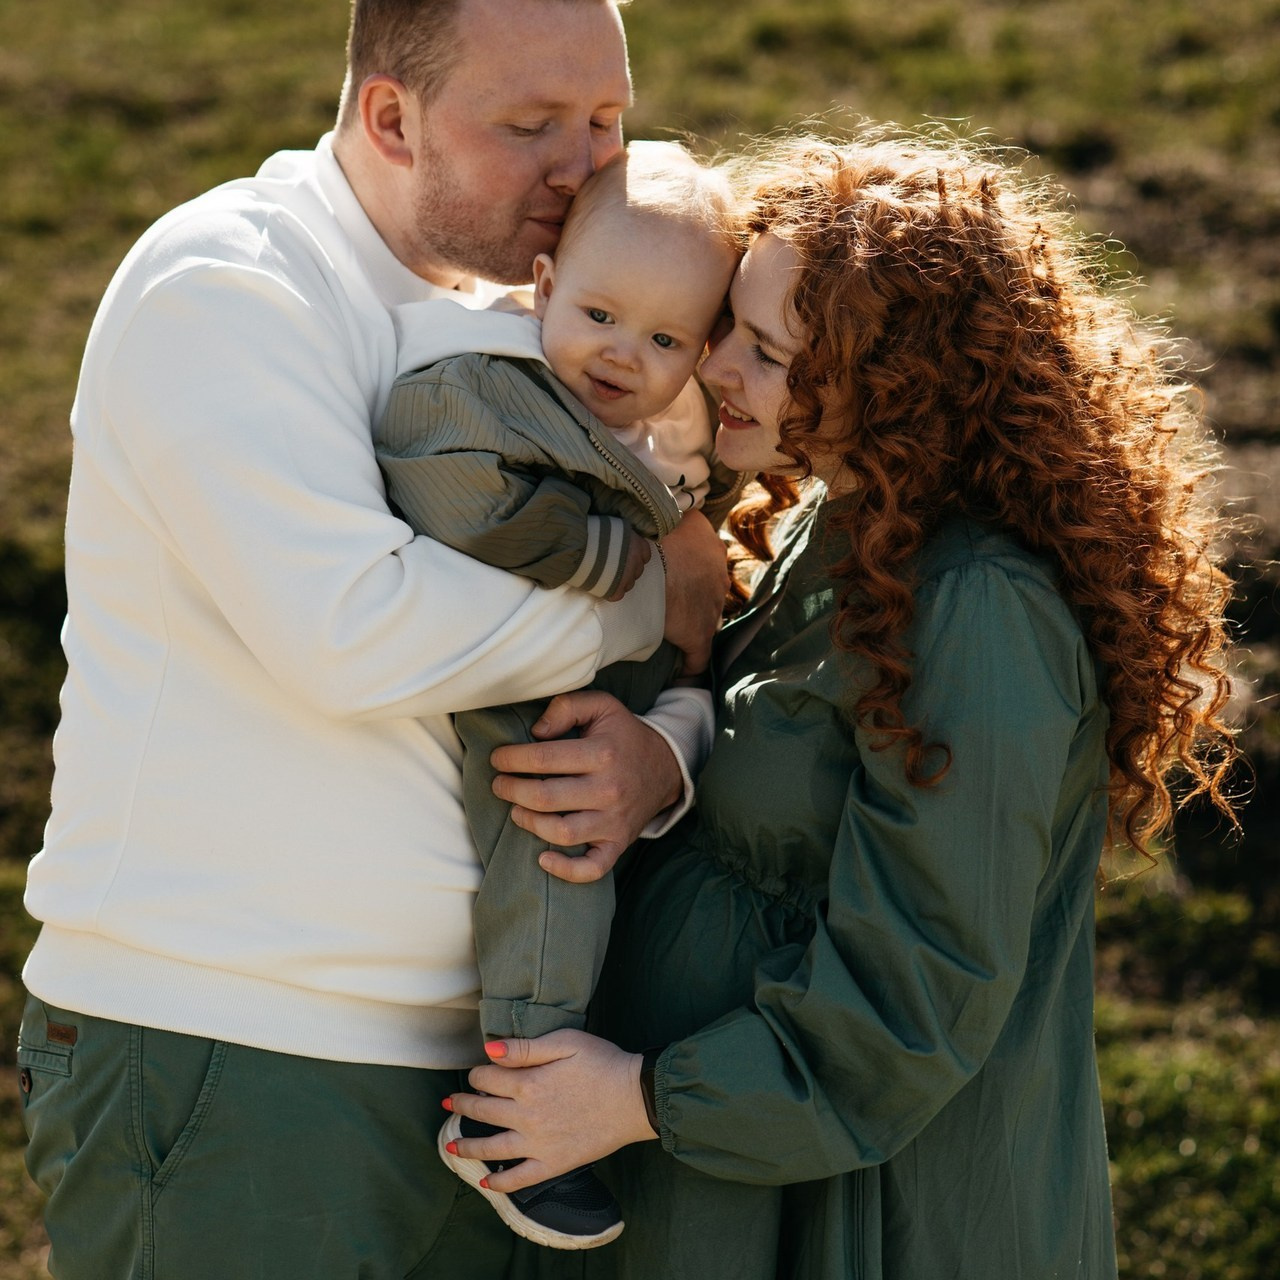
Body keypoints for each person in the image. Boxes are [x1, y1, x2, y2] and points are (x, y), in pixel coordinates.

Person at [442, 129, 1241, 1279]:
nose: (718, 367)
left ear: (893, 387)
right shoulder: (842, 524)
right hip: (723, 1174)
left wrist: (635, 1099)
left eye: (768, 352)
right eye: (732, 327)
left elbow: (916, 988)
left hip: (860, 1211)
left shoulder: (974, 608)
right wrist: (666, 761)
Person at [14, 2, 730, 1278]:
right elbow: (354, 632)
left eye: (606, 119)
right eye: (532, 124)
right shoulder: (232, 281)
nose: (584, 165)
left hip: (499, 1091)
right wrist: (639, 592)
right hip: (240, 1056)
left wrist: (652, 759)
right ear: (392, 116)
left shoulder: (559, 328)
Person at [372, 138, 741, 1249]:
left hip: (616, 689)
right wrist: (625, 554)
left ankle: (579, 1057)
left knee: (610, 865)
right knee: (555, 850)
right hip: (525, 681)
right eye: (598, 315)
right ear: (542, 291)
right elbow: (450, 487)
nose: (623, 354)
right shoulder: (498, 378)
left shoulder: (677, 428)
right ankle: (512, 1098)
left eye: (664, 338)